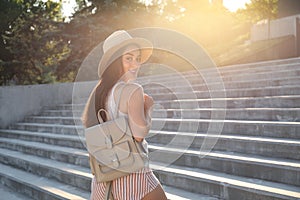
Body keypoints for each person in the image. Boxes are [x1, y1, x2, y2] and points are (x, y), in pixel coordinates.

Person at [81, 30, 168, 200]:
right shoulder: (133, 90)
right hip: (134, 176)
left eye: (137, 59)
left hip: (103, 180)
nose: (135, 64)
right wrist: (148, 109)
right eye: (128, 58)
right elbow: (139, 135)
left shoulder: (97, 93)